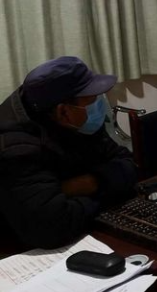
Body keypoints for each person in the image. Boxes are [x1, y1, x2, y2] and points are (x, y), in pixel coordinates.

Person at [0, 57, 137, 249]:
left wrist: (89, 183)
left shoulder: (81, 122)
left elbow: (128, 165)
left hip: (83, 229)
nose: (99, 105)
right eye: (92, 100)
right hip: (25, 253)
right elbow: (52, 227)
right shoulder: (15, 147)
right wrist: (110, 189)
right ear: (63, 111)